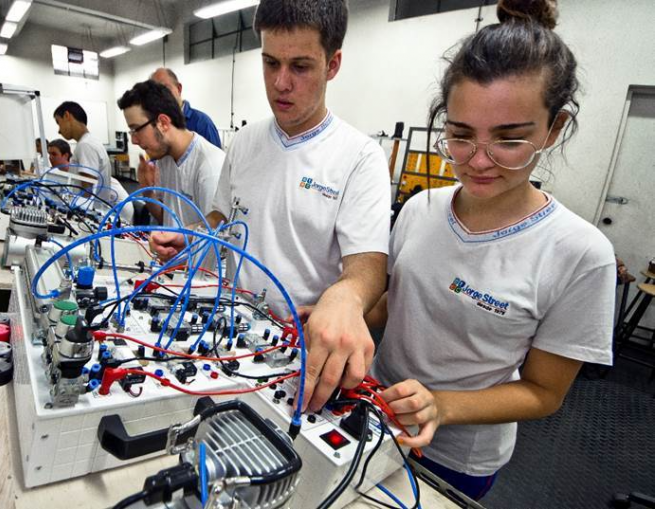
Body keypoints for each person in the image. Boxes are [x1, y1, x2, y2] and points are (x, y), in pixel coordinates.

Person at [366, 0, 616, 500]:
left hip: (457, 455)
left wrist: (440, 405)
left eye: (508, 140)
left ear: (553, 128)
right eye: (460, 136)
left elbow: (544, 392)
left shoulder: (581, 255)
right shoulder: (420, 208)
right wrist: (345, 316)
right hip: (372, 416)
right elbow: (401, 300)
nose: (478, 161)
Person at [150, 0, 391, 413]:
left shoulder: (360, 157)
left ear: (332, 65)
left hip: (300, 356)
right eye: (270, 63)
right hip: (230, 333)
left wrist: (346, 297)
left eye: (300, 66)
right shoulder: (244, 142)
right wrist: (190, 238)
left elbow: (368, 268)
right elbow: (221, 217)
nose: (280, 83)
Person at [117, 80, 225, 227]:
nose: (134, 140)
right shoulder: (164, 159)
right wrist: (147, 192)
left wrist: (175, 239)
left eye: (136, 129)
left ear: (163, 123)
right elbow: (166, 219)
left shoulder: (210, 167)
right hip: (175, 251)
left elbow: (216, 238)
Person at [53, 101, 133, 222]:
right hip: (98, 213)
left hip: (94, 216)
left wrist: (75, 215)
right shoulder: (88, 142)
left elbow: (87, 190)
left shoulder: (86, 145)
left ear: (67, 116)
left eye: (58, 123)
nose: (59, 130)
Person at [151, 68, 222, 148]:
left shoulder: (203, 124)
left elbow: (216, 158)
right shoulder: (157, 125)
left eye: (165, 89)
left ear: (179, 89)